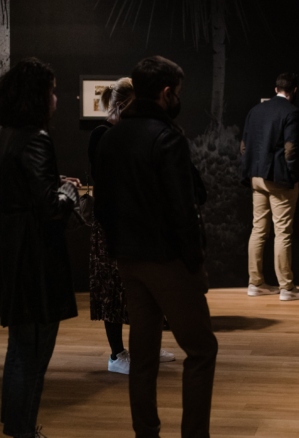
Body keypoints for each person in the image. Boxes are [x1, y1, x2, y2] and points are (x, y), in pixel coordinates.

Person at [94, 55, 218, 438]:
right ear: (166, 93)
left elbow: (103, 205)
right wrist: (195, 264)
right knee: (201, 350)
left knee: (143, 354)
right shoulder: (166, 137)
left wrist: (117, 249)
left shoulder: (111, 136)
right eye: (177, 92)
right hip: (167, 260)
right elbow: (184, 209)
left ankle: (145, 432)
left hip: (128, 260)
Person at [0, 58, 80, 438]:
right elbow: (49, 207)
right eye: (52, 91)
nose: (56, 98)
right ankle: (24, 429)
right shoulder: (37, 138)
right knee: (34, 352)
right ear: (37, 96)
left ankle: (16, 425)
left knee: (19, 348)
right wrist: (69, 191)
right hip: (36, 260)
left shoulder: (4, 136)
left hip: (13, 252)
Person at [87, 77, 175, 375]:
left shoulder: (129, 132)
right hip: (112, 223)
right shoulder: (102, 135)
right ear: (125, 104)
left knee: (141, 287)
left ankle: (144, 345)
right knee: (112, 288)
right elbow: (108, 179)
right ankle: (117, 354)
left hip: (135, 221)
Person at [240, 72, 299, 301]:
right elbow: (290, 149)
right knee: (283, 232)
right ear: (294, 90)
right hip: (279, 179)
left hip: (256, 176)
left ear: (276, 89)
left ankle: (255, 283)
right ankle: (287, 288)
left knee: (258, 229)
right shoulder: (292, 112)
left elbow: (244, 146)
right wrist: (293, 176)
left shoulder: (255, 111)